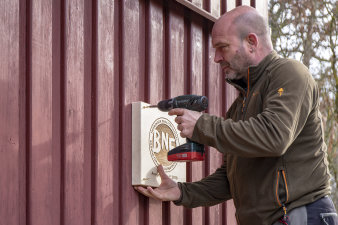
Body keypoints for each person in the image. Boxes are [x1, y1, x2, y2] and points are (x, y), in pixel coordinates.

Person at [135, 5, 338, 225]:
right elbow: (231, 179)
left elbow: (275, 136)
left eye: (222, 47)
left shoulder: (289, 74)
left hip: (301, 215)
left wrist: (202, 125)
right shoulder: (240, 104)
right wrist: (182, 192)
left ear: (252, 42)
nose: (216, 58)